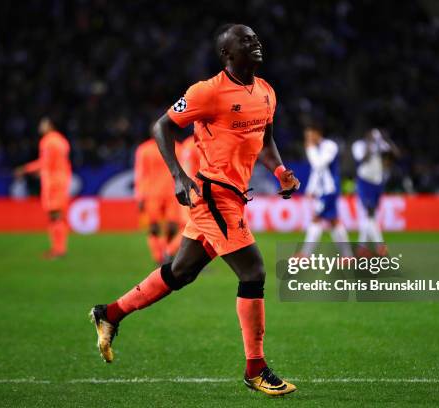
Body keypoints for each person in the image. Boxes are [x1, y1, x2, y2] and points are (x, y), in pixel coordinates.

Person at [89, 24, 300, 396]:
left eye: (255, 38)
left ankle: (110, 313)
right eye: (245, 40)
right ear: (226, 54)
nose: (255, 43)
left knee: (180, 272)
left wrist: (281, 171)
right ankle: (256, 368)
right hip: (213, 195)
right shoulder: (208, 92)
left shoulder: (266, 91)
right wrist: (178, 176)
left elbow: (265, 140)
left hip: (234, 195)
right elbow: (162, 127)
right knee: (253, 271)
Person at [14, 117, 72, 259]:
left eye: (43, 124)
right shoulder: (62, 140)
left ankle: (58, 250)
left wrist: (25, 169)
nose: (40, 126)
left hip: (53, 182)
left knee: (54, 216)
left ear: (50, 125)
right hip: (62, 179)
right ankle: (60, 248)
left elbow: (45, 163)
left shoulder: (47, 141)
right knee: (58, 216)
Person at [297, 125, 352, 257]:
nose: (308, 140)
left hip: (330, 190)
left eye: (310, 136)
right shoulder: (317, 148)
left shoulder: (330, 146)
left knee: (316, 218)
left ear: (318, 133)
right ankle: (348, 256)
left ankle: (305, 255)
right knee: (334, 221)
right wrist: (311, 189)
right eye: (306, 137)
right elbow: (317, 172)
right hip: (323, 191)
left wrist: (309, 148)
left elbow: (319, 164)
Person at [134, 135, 182, 264]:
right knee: (162, 227)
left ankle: (164, 256)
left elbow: (140, 173)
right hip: (160, 193)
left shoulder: (176, 147)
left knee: (164, 228)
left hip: (162, 193)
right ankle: (162, 257)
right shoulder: (145, 149)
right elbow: (140, 173)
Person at [351, 128, 399, 256]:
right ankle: (379, 245)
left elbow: (395, 154)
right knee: (369, 212)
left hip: (377, 181)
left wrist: (386, 140)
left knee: (369, 216)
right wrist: (370, 145)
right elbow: (361, 159)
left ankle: (362, 247)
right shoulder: (359, 145)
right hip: (364, 180)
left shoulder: (380, 143)